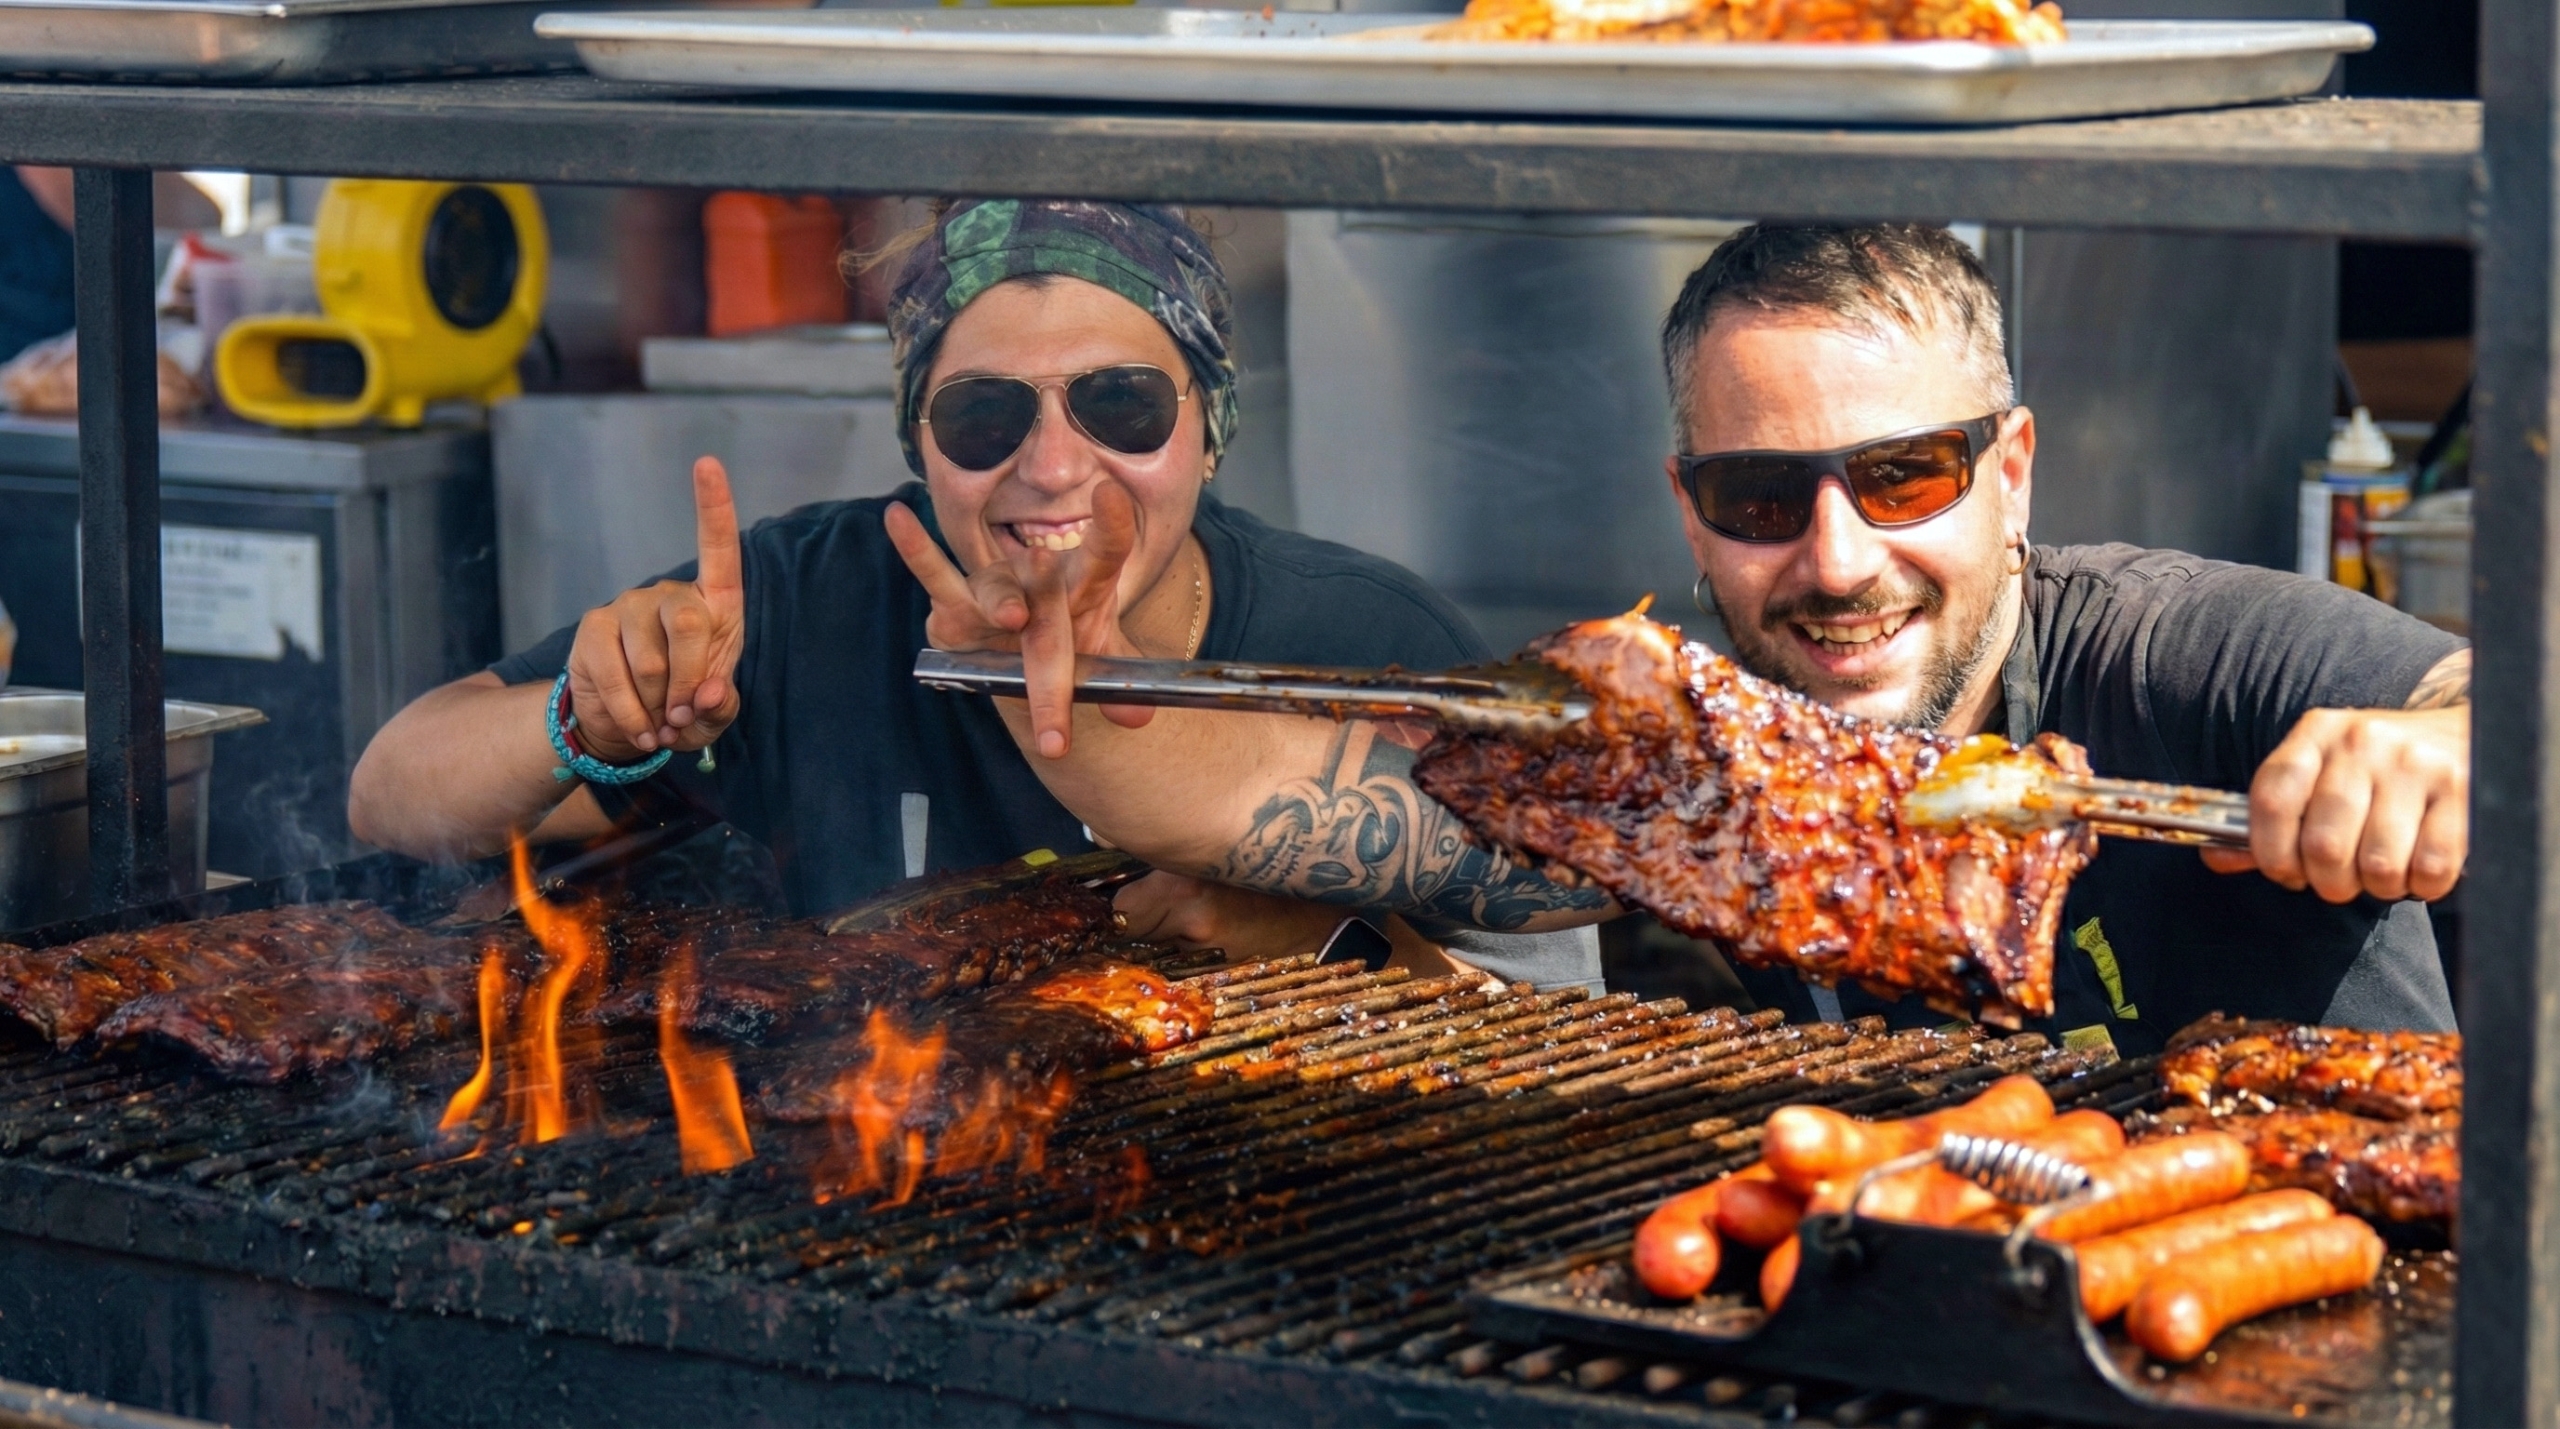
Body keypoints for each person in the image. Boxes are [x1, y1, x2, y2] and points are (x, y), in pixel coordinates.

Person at [908, 222, 2467, 1056]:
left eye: (1905, 473)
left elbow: (2501, 710)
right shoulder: (1668, 773)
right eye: (1760, 492)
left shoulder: (2181, 654)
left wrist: (2437, 745)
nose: (1838, 558)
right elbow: (1259, 797)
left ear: (2012, 471)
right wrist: (1056, 677)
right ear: (1686, 501)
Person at [347, 198, 1599, 986]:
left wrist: (1335, 943)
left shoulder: (1364, 639)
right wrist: (587, 714)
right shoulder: (798, 602)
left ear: (1208, 432)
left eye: (1120, 404)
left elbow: (1564, 1004)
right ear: (919, 446)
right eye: (985, 413)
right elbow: (391, 789)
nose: (1052, 466)